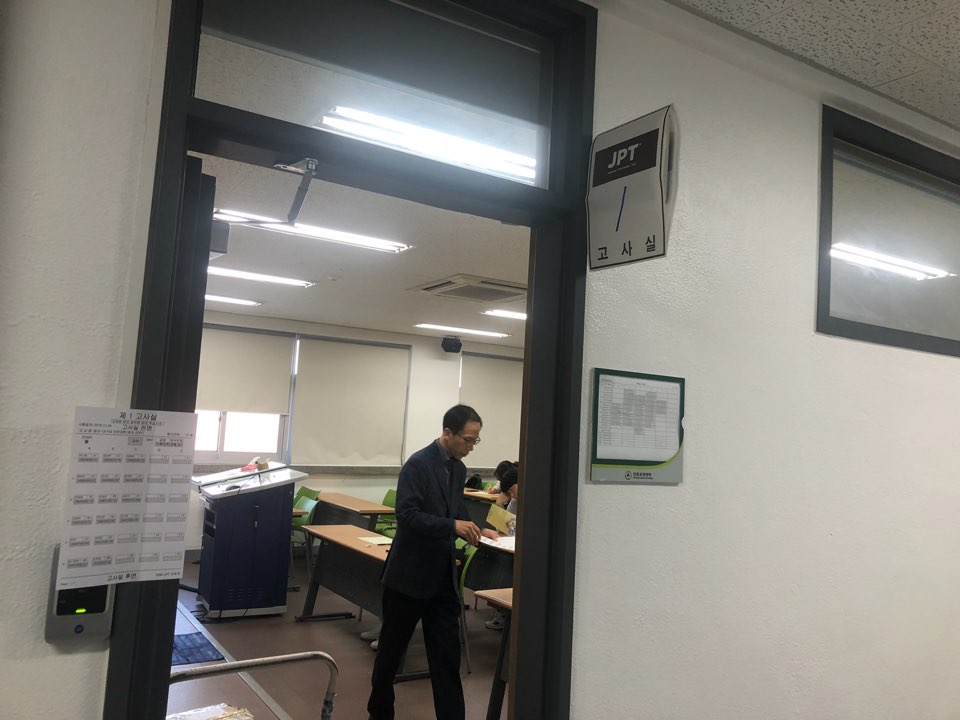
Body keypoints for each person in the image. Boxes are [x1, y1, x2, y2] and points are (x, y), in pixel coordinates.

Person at [367, 404, 498, 720]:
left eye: (476, 441)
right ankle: (379, 713)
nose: (471, 447)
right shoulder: (417, 465)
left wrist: (478, 529)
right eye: (468, 440)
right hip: (408, 577)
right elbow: (408, 516)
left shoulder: (459, 469)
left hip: (442, 580)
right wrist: (452, 526)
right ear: (448, 433)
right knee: (390, 653)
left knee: (446, 659)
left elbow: (455, 511)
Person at [485, 465, 518, 631]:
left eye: (512, 491)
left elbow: (514, 529)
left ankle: (504, 613)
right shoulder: (514, 501)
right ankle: (502, 612)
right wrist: (498, 505)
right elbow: (504, 529)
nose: (511, 496)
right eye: (509, 493)